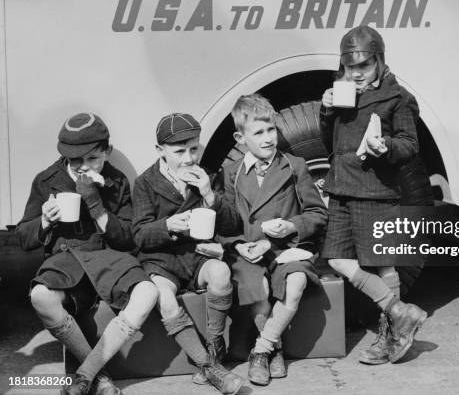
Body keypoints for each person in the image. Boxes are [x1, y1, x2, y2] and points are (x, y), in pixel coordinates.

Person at [16, 112, 159, 395]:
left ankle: (86, 374)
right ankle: (100, 375)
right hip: (67, 259)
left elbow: (128, 237)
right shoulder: (46, 180)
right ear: (65, 157)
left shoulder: (116, 181)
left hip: (109, 257)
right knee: (40, 295)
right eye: (75, 160)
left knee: (148, 292)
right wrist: (45, 221)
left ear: (107, 151)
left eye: (92, 158)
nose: (83, 167)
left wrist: (96, 204)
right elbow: (23, 237)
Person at [319, 26, 428, 365]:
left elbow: (410, 146)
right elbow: (329, 141)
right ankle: (399, 312)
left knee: (382, 264)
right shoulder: (341, 93)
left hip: (374, 191)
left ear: (379, 62)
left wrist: (386, 148)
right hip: (339, 188)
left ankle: (388, 339)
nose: (356, 74)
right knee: (336, 259)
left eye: (364, 66)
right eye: (350, 67)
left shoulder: (397, 98)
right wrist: (325, 110)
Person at [216, 94, 328, 386]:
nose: (268, 138)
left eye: (271, 130)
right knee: (257, 287)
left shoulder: (294, 165)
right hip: (248, 253)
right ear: (240, 138)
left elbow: (318, 214)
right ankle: (275, 349)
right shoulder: (232, 172)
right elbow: (226, 221)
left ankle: (261, 350)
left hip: (285, 249)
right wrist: (237, 244)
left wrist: (291, 225)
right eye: (259, 132)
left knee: (296, 282)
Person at [131, 112, 243, 395]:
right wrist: (166, 225)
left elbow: (233, 225)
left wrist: (208, 195)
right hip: (162, 259)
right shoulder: (145, 183)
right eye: (179, 152)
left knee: (221, 273)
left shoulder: (207, 177)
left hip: (197, 254)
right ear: (160, 151)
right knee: (164, 297)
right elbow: (140, 235)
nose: (189, 158)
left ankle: (215, 345)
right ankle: (207, 365)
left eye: (194, 149)